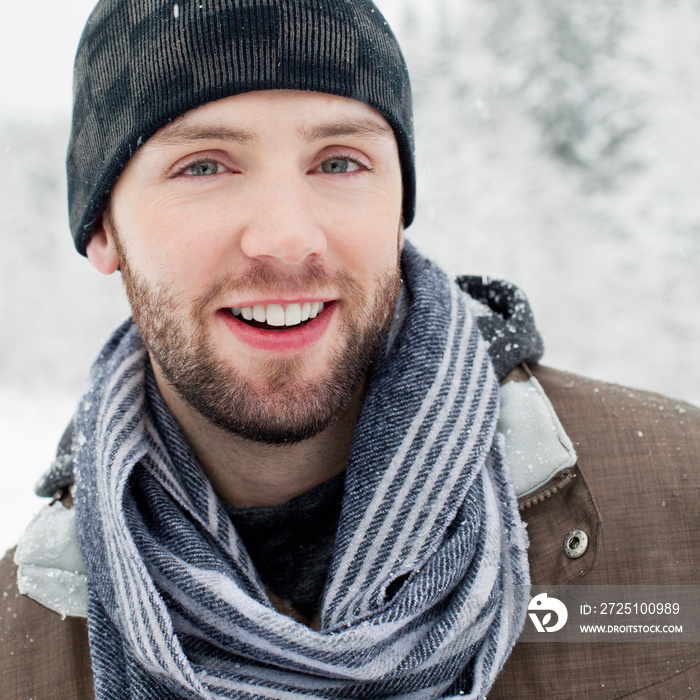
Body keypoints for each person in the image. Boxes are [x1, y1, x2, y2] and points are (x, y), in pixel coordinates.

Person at [1, 0, 698, 698]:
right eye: (204, 167)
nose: (286, 237)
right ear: (102, 230)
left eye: (339, 161)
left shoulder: (680, 501)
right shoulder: (19, 648)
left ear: (398, 207)